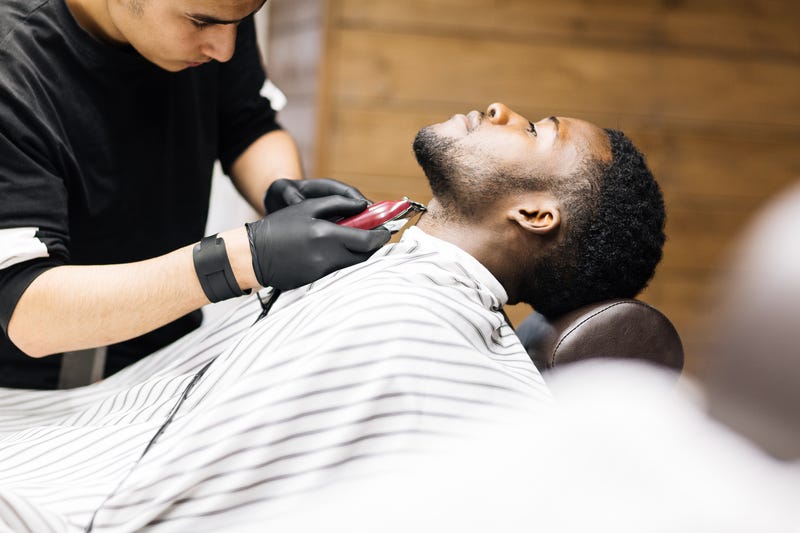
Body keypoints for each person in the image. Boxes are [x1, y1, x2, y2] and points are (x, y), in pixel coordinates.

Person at [0, 102, 666, 530]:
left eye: (535, 130)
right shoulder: (383, 275)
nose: (501, 108)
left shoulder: (422, 335)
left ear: (537, 214)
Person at [0, 0, 389, 389]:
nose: (225, 49)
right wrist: (241, 258)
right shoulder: (13, 68)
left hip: (169, 355)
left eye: (241, 22)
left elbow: (247, 122)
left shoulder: (218, 12)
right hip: (33, 391)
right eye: (201, 23)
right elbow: (26, 308)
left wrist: (280, 189)